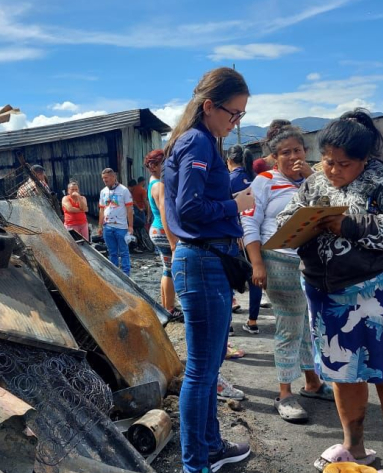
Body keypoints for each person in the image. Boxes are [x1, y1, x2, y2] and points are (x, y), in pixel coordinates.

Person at [278, 109, 383, 473]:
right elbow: (287, 216)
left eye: (344, 164)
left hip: (381, 292)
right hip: (326, 293)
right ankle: (354, 447)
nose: (333, 170)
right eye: (327, 161)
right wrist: (297, 226)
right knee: (343, 374)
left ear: (364, 159)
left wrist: (350, 225)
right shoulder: (315, 182)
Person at [163, 67, 255, 473]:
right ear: (209, 107)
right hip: (202, 261)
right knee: (201, 371)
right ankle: (197, 463)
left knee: (209, 365)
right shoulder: (198, 142)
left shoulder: (198, 141)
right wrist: (236, 205)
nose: (235, 124)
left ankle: (211, 447)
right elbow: (190, 210)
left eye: (241, 117)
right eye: (233, 115)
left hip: (204, 260)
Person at [241, 125, 333, 423]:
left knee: (306, 324)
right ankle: (284, 393)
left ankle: (312, 382)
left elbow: (333, 205)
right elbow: (249, 224)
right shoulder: (264, 181)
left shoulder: (316, 179)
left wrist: (309, 176)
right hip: (279, 260)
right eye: (286, 152)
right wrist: (257, 263)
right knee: (289, 325)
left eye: (298, 150)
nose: (293, 156)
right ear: (273, 158)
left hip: (312, 263)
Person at [145, 149, 182, 321]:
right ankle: (170, 308)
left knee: (166, 270)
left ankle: (166, 305)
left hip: (157, 229)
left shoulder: (152, 183)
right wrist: (173, 241)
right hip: (162, 230)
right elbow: (164, 211)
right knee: (170, 270)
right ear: (153, 166)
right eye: (163, 164)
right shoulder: (159, 185)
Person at [226, 144, 258, 318]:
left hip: (236, 234)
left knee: (228, 273)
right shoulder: (256, 179)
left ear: (229, 160)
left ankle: (229, 320)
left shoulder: (227, 180)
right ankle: (253, 321)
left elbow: (227, 209)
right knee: (255, 275)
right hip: (256, 233)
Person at [98, 168, 134, 276]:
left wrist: (130, 226)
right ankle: (115, 274)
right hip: (108, 227)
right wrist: (100, 226)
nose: (104, 180)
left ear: (114, 177)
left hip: (121, 227)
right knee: (112, 252)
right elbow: (101, 209)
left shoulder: (124, 190)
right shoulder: (103, 192)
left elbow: (129, 210)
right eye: (103, 178)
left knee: (124, 252)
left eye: (106, 178)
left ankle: (126, 274)